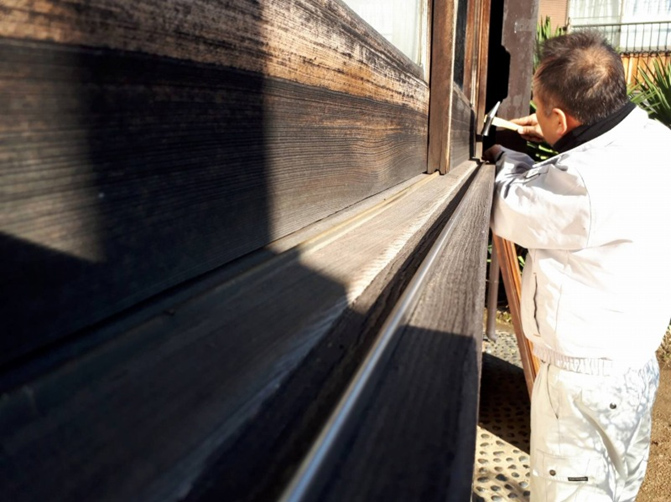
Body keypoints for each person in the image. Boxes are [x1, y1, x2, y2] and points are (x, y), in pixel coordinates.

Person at [485, 31, 671, 501]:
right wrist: (552, 134)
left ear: (564, 117)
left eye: (541, 109)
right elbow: (587, 158)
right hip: (633, 367)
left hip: (583, 382)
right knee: (617, 490)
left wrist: (505, 151)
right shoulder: (656, 140)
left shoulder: (585, 183)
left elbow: (510, 206)